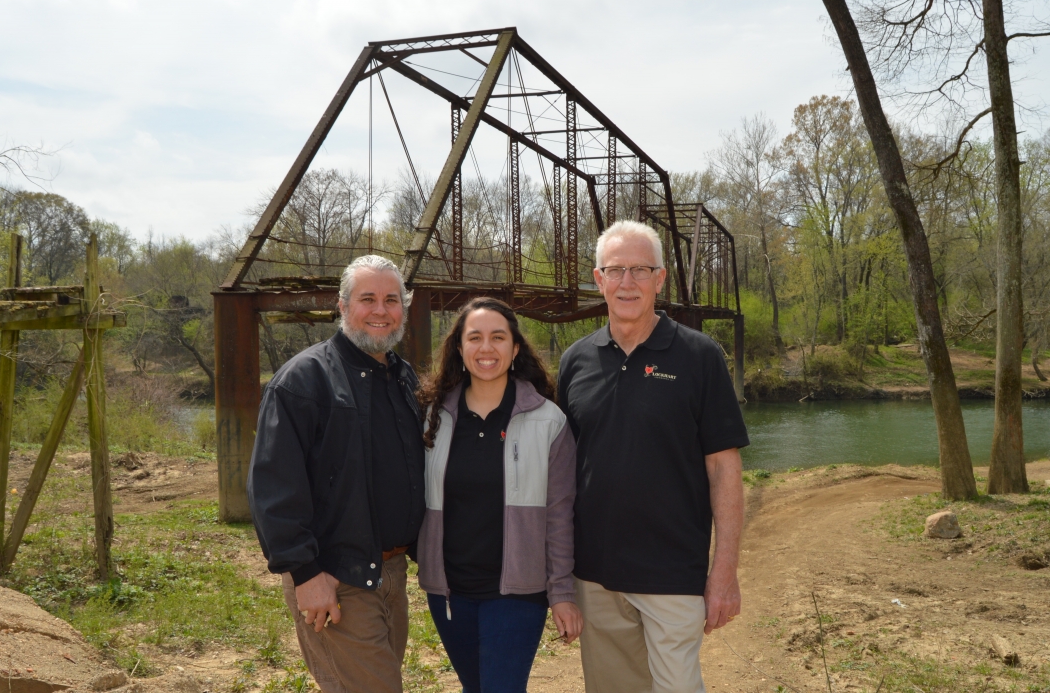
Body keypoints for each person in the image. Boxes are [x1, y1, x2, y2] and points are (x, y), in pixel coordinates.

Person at [557, 220, 749, 693]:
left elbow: (724, 468)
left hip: (672, 571)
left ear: (660, 280)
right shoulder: (575, 361)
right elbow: (561, 474)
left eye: (640, 270)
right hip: (596, 575)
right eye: (615, 270)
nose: (627, 283)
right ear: (598, 279)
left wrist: (724, 571)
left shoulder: (700, 356)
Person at [247, 255, 425, 693]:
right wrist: (304, 573)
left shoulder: (404, 379)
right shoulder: (304, 380)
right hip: (335, 577)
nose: (381, 310)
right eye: (368, 299)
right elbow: (273, 486)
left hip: (391, 572)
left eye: (391, 299)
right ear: (342, 306)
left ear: (405, 306)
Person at [416, 297, 583, 693]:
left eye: (497, 337)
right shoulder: (432, 417)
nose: (486, 348)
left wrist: (561, 591)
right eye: (474, 338)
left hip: (517, 594)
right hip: (449, 593)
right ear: (459, 349)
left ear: (515, 348)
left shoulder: (548, 421)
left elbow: (560, 515)